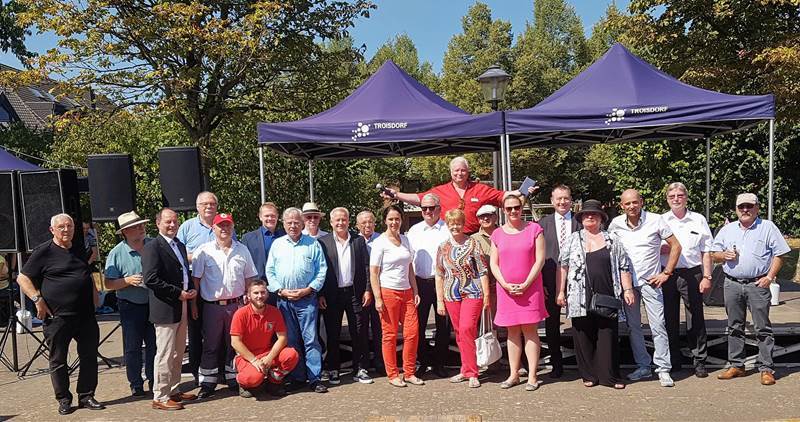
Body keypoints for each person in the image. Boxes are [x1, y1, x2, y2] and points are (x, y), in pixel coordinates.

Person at [16, 213, 105, 415]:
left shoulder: (79, 248)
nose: (66, 230)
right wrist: (37, 299)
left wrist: (95, 294)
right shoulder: (43, 251)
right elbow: (22, 278)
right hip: (58, 317)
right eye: (62, 227)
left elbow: (85, 273)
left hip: (85, 315)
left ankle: (87, 395)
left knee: (89, 356)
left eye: (70, 226)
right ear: (52, 230)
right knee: (58, 359)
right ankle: (64, 399)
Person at [712, 193, 790, 386]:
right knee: (734, 326)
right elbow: (713, 254)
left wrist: (769, 277)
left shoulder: (767, 227)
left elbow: (780, 254)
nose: (745, 210)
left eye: (749, 206)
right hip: (732, 283)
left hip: (757, 284)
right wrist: (723, 255)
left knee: (762, 327)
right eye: (741, 207)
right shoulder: (727, 229)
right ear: (736, 209)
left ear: (757, 208)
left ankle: (766, 368)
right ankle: (737, 365)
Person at [556, 200, 635, 389]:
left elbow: (624, 266)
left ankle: (610, 376)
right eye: (586, 214)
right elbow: (563, 266)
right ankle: (589, 375)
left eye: (594, 214)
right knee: (583, 335)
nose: (589, 216)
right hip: (578, 295)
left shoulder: (613, 239)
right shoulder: (573, 239)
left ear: (601, 218)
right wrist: (560, 291)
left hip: (607, 292)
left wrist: (628, 289)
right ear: (581, 218)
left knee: (607, 336)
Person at [608, 189, 682, 387]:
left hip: (651, 282)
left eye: (635, 202)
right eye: (627, 203)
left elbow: (676, 245)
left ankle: (663, 368)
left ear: (641, 202)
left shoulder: (656, 220)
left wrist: (666, 272)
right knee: (633, 327)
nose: (632, 206)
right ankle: (643, 365)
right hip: (628, 285)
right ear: (622, 206)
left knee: (658, 325)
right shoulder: (615, 224)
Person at [192, 213, 258, 398]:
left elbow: (249, 277)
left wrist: (250, 300)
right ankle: (208, 382)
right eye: (220, 225)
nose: (224, 229)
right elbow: (195, 280)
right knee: (211, 345)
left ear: (232, 227)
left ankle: (233, 378)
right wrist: (193, 306)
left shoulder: (242, 250)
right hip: (212, 306)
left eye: (227, 225)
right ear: (213, 228)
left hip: (236, 305)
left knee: (234, 344)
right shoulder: (203, 251)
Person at [381, 156, 534, 234]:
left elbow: (503, 196)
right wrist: (397, 195)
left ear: (468, 172)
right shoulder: (440, 191)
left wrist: (520, 192)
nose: (459, 173)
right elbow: (419, 198)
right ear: (451, 172)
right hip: (449, 237)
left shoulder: (480, 189)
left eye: (463, 170)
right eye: (456, 170)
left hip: (474, 237)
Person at [266, 207, 328, 393]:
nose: (293, 226)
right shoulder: (277, 244)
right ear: (283, 224)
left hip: (307, 300)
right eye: (289, 222)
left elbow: (321, 270)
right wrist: (280, 290)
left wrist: (308, 290)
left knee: (311, 340)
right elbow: (270, 271)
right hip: (284, 301)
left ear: (302, 224)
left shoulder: (313, 244)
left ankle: (314, 378)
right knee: (291, 340)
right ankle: (297, 377)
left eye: (296, 222)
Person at [489, 194, 548, 391]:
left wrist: (526, 283)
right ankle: (514, 374)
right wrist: (505, 284)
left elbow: (540, 260)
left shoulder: (534, 229)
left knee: (530, 331)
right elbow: (493, 263)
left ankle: (532, 376)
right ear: (503, 210)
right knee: (512, 332)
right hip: (506, 291)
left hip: (530, 290)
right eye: (509, 208)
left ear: (521, 208)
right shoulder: (496, 234)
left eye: (516, 207)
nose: (513, 211)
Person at [143, 208, 199, 411]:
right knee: (165, 353)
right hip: (166, 307)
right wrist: (177, 293)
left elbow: (183, 272)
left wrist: (190, 289)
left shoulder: (180, 245)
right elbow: (151, 279)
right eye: (168, 222)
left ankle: (174, 389)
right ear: (158, 223)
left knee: (177, 353)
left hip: (182, 304)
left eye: (175, 221)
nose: (172, 225)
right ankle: (160, 395)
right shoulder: (152, 247)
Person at [660, 182, 714, 377]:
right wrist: (663, 249)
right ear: (667, 199)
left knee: (696, 318)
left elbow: (706, 250)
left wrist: (707, 276)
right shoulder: (660, 220)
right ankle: (673, 360)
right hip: (667, 274)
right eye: (672, 196)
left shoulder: (698, 220)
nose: (676, 199)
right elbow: (649, 247)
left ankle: (699, 360)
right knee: (669, 319)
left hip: (692, 273)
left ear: (686, 197)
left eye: (680, 195)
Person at [435, 209, 490, 388]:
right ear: (447, 225)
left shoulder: (473, 243)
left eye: (458, 223)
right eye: (452, 224)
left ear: (463, 223)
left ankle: (473, 372)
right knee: (459, 333)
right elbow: (439, 274)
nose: (455, 227)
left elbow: (482, 270)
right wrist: (439, 300)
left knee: (467, 329)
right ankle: (465, 369)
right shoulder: (443, 247)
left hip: (473, 292)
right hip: (451, 293)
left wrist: (487, 295)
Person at [318, 207, 374, 384]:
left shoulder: (358, 241)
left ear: (349, 222)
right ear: (331, 223)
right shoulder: (323, 242)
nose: (341, 223)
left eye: (344, 219)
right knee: (332, 332)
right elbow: (319, 269)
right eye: (337, 220)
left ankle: (361, 368)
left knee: (358, 331)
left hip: (355, 292)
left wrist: (367, 289)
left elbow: (366, 266)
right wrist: (320, 294)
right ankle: (334, 368)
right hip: (332, 294)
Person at [369, 204, 423, 387]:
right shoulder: (379, 243)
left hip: (407, 292)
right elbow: (374, 273)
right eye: (390, 219)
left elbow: (409, 268)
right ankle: (392, 374)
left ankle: (409, 372)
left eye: (397, 219)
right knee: (390, 335)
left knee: (412, 333)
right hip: (388, 292)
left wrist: (415, 290)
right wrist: (377, 297)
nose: (394, 222)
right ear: (385, 221)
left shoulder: (406, 240)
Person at [103, 211, 156, 397]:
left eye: (142, 224)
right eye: (136, 226)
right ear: (125, 231)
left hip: (154, 303)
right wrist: (127, 281)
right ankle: (135, 383)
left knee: (154, 345)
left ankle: (154, 380)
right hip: (130, 305)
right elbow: (108, 284)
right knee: (132, 347)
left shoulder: (153, 244)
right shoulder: (117, 253)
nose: (141, 228)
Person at [536, 184, 580, 378]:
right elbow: (535, 256)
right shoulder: (542, 224)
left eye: (566, 198)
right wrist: (540, 283)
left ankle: (584, 363)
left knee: (580, 321)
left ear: (571, 200)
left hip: (577, 279)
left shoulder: (580, 222)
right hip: (549, 280)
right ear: (552, 201)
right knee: (552, 324)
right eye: (558, 199)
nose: (562, 202)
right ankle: (556, 364)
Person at [176, 191, 220, 383]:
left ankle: (217, 371)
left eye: (212, 203)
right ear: (197, 207)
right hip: (194, 284)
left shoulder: (223, 224)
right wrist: (198, 256)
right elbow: (175, 253)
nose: (209, 206)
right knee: (195, 332)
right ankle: (197, 372)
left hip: (217, 285)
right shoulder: (187, 227)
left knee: (218, 331)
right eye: (205, 204)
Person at [407, 193, 451, 378]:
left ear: (439, 209)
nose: (427, 211)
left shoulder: (448, 229)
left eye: (431, 208)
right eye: (424, 208)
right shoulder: (414, 231)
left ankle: (440, 363)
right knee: (418, 325)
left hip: (443, 282)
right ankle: (423, 362)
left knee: (443, 325)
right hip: (420, 283)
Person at [231, 279, 300, 398]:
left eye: (263, 292)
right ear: (248, 295)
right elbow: (235, 342)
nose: (260, 296)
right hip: (247, 358)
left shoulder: (274, 312)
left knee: (291, 355)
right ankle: (243, 383)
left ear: (267, 294)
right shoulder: (240, 314)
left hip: (267, 354)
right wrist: (254, 361)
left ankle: (274, 382)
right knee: (252, 379)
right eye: (256, 293)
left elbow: (282, 338)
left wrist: (269, 358)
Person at [356, 210, 384, 374]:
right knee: (361, 329)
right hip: (361, 293)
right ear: (358, 225)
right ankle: (364, 364)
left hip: (381, 290)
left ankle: (381, 363)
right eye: (363, 223)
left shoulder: (382, 240)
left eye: (370, 222)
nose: (367, 225)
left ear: (375, 223)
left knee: (380, 328)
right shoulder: (354, 241)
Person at [242, 202, 285, 306]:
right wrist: (245, 291)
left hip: (281, 289)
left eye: (273, 216)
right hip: (258, 290)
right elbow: (243, 266)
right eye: (267, 216)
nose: (270, 218)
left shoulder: (285, 236)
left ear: (278, 217)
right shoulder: (248, 238)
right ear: (260, 217)